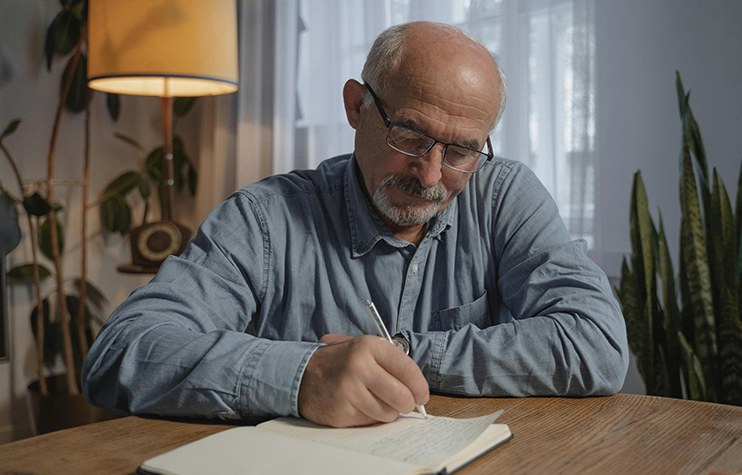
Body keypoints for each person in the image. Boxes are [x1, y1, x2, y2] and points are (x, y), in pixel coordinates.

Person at [82, 21, 628, 428]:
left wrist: (407, 355)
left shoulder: (501, 193)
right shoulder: (265, 218)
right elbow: (122, 353)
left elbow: (598, 344)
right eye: (410, 136)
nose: (431, 173)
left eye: (461, 149)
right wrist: (303, 377)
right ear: (355, 106)